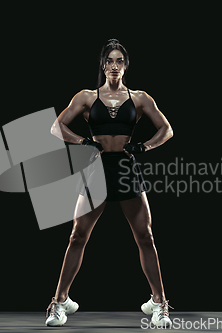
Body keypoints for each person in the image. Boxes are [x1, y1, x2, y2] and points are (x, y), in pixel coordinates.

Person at [47, 39, 173, 327]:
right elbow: (57, 126)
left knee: (146, 237)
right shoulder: (86, 97)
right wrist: (83, 141)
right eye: (109, 61)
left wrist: (144, 147)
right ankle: (59, 302)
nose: (114, 66)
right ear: (102, 65)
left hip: (127, 168)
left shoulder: (140, 98)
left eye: (119, 61)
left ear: (125, 66)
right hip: (96, 170)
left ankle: (159, 304)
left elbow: (167, 129)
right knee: (78, 236)